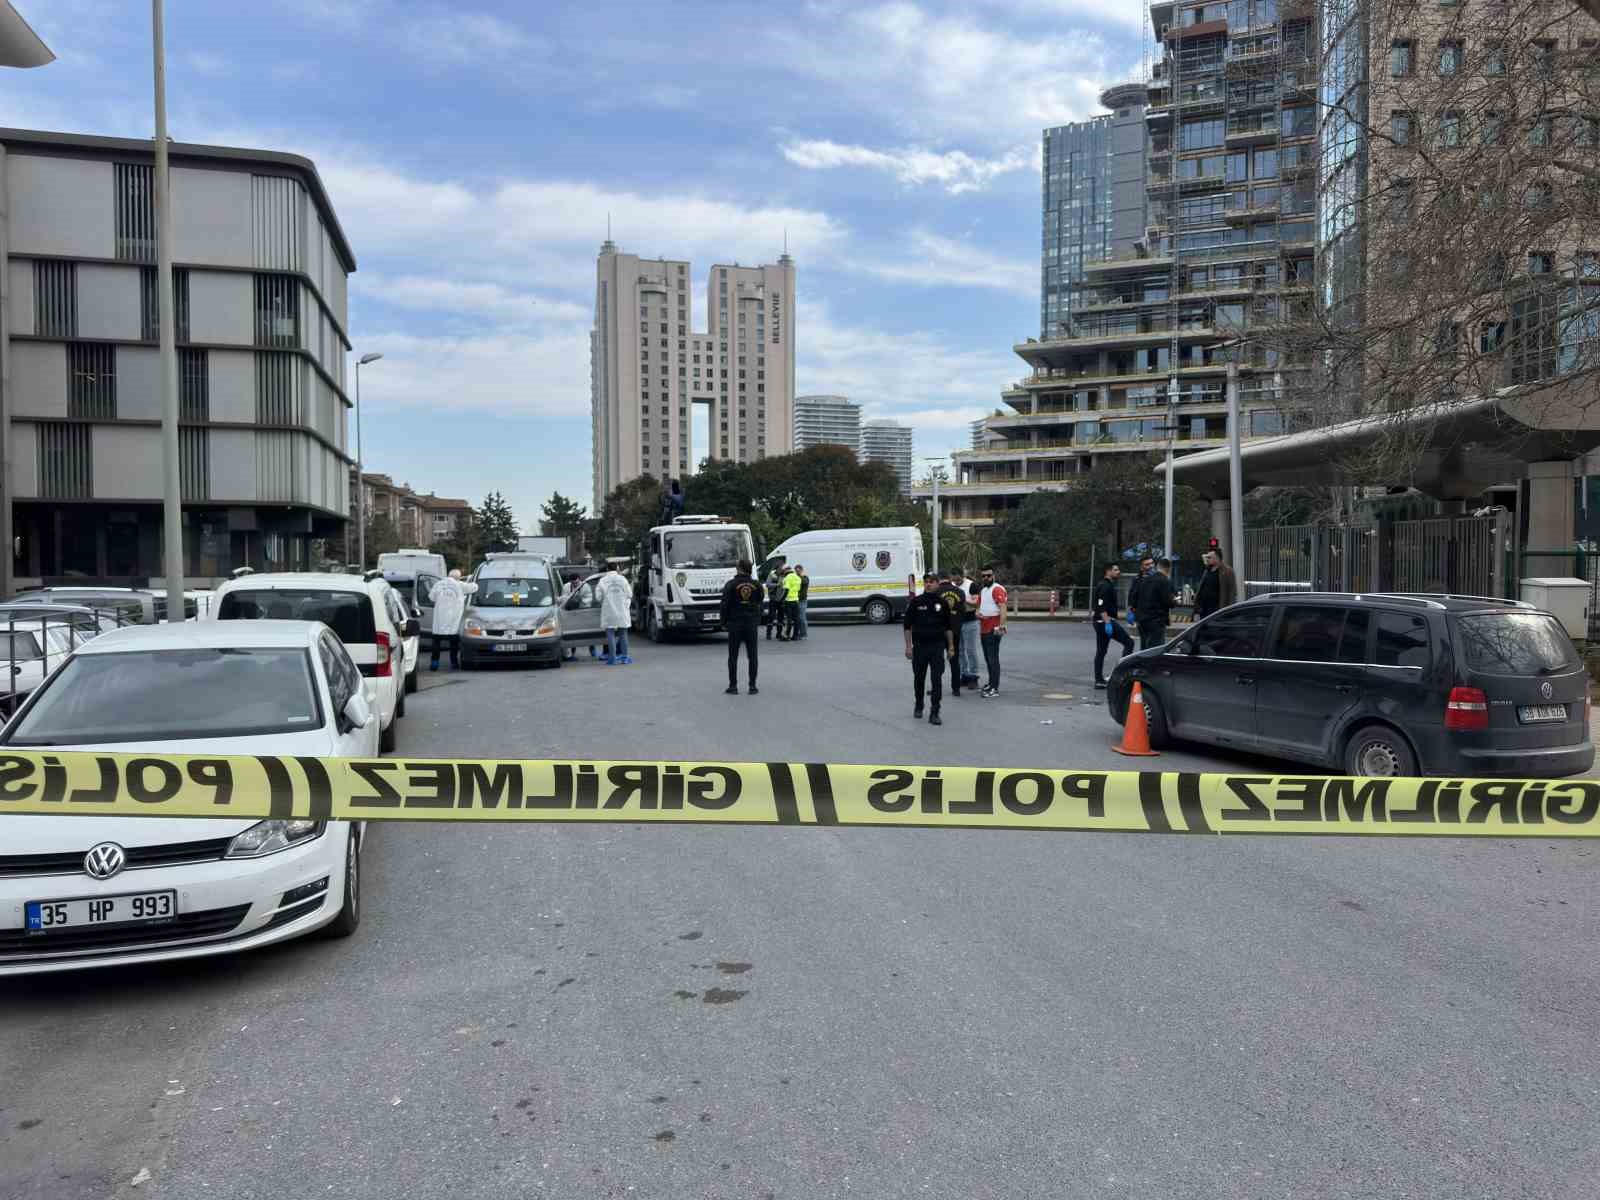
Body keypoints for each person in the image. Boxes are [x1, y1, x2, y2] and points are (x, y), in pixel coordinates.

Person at [904, 572, 957, 724]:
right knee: (919, 679)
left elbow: (948, 627)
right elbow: (907, 626)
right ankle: (919, 705)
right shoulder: (916, 602)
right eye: (926, 581)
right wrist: (908, 647)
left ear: (937, 584)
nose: (928, 584)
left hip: (937, 647)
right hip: (920, 647)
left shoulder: (943, 603)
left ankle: (935, 712)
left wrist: (951, 647)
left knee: (936, 680)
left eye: (932, 581)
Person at [720, 558, 763, 694]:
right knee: (753, 655)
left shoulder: (731, 585)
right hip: (751, 623)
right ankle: (752, 686)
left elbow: (724, 605)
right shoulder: (757, 585)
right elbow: (760, 601)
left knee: (733, 656)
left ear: (739, 568)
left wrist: (723, 622)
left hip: (735, 623)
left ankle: (733, 686)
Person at [1092, 563, 1136, 689]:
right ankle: (1121, 675)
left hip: (1101, 622)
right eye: (1115, 570)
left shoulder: (1106, 584)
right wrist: (1107, 623)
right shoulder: (1105, 586)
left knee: (1101, 651)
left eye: (1118, 569)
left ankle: (1099, 680)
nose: (1118, 572)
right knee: (1129, 643)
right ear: (1108, 571)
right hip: (1105, 621)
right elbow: (1101, 605)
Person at [975, 564, 1007, 698]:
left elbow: (1003, 608)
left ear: (993, 576)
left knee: (993, 658)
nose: (986, 578)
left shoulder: (997, 589)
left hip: (993, 628)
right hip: (984, 627)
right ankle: (991, 683)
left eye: (988, 575)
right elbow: (978, 607)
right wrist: (978, 614)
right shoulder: (983, 591)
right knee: (988, 658)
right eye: (983, 576)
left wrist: (1001, 626)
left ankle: (994, 688)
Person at [428, 568, 470, 671]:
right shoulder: (460, 585)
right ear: (458, 578)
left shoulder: (438, 584)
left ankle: (434, 663)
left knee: (436, 643)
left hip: (439, 620)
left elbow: (431, 597)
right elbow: (474, 588)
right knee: (453, 644)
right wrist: (470, 578)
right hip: (453, 621)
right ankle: (454, 663)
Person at [936, 571, 968, 698]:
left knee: (937, 660)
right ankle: (956, 688)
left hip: (939, 630)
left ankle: (936, 687)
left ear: (939, 579)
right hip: (955, 630)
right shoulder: (960, 592)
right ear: (949, 578)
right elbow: (963, 610)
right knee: (955, 660)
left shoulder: (936, 592)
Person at [596, 563, 634, 665]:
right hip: (622, 611)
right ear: (617, 568)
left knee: (610, 634)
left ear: (607, 569)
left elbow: (598, 598)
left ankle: (612, 658)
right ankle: (625, 658)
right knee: (623, 633)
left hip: (609, 611)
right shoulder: (623, 579)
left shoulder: (602, 581)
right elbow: (630, 594)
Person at [1136, 558, 1177, 650]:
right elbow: (1169, 602)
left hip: (1142, 619)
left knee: (1144, 648)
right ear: (1168, 569)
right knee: (1155, 649)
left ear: (1158, 567)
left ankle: (1142, 660)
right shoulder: (1165, 581)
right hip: (1156, 620)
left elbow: (1138, 597)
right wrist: (1175, 601)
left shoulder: (1145, 580)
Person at [952, 568, 981, 691]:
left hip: (970, 621)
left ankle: (974, 676)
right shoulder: (952, 586)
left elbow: (976, 603)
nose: (956, 582)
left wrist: (963, 599)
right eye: (954, 579)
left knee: (971, 650)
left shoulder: (971, 585)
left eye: (958, 579)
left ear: (962, 576)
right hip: (957, 622)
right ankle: (965, 675)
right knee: (960, 651)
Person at [1193, 547, 1238, 621]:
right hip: (1204, 609)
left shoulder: (1228, 571)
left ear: (1217, 558)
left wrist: (1229, 611)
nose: (1207, 559)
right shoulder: (1207, 570)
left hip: (1217, 609)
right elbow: (1201, 587)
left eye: (1210, 557)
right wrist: (1197, 605)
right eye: (1207, 557)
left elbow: (1232, 592)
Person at [780, 565, 803, 641]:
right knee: (796, 619)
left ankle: (786, 636)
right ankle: (795, 636)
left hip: (788, 601)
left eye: (783, 571)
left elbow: (786, 590)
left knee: (788, 619)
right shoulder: (797, 577)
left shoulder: (787, 578)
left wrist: (782, 599)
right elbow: (799, 589)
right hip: (795, 600)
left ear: (785, 570)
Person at [764, 566, 784, 640]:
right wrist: (777, 585)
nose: (781, 570)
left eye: (782, 569)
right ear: (777, 569)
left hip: (781, 600)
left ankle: (779, 634)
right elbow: (767, 584)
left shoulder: (783, 576)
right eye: (780, 569)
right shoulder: (772, 575)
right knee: (771, 616)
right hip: (773, 599)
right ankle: (768, 634)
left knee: (780, 617)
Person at [795, 565, 810, 640]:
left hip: (802, 600)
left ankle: (804, 634)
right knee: (798, 618)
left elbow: (804, 582)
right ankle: (799, 633)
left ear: (801, 570)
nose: (797, 572)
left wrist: (799, 576)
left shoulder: (805, 577)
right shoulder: (796, 577)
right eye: (796, 571)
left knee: (802, 618)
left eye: (798, 570)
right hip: (795, 599)